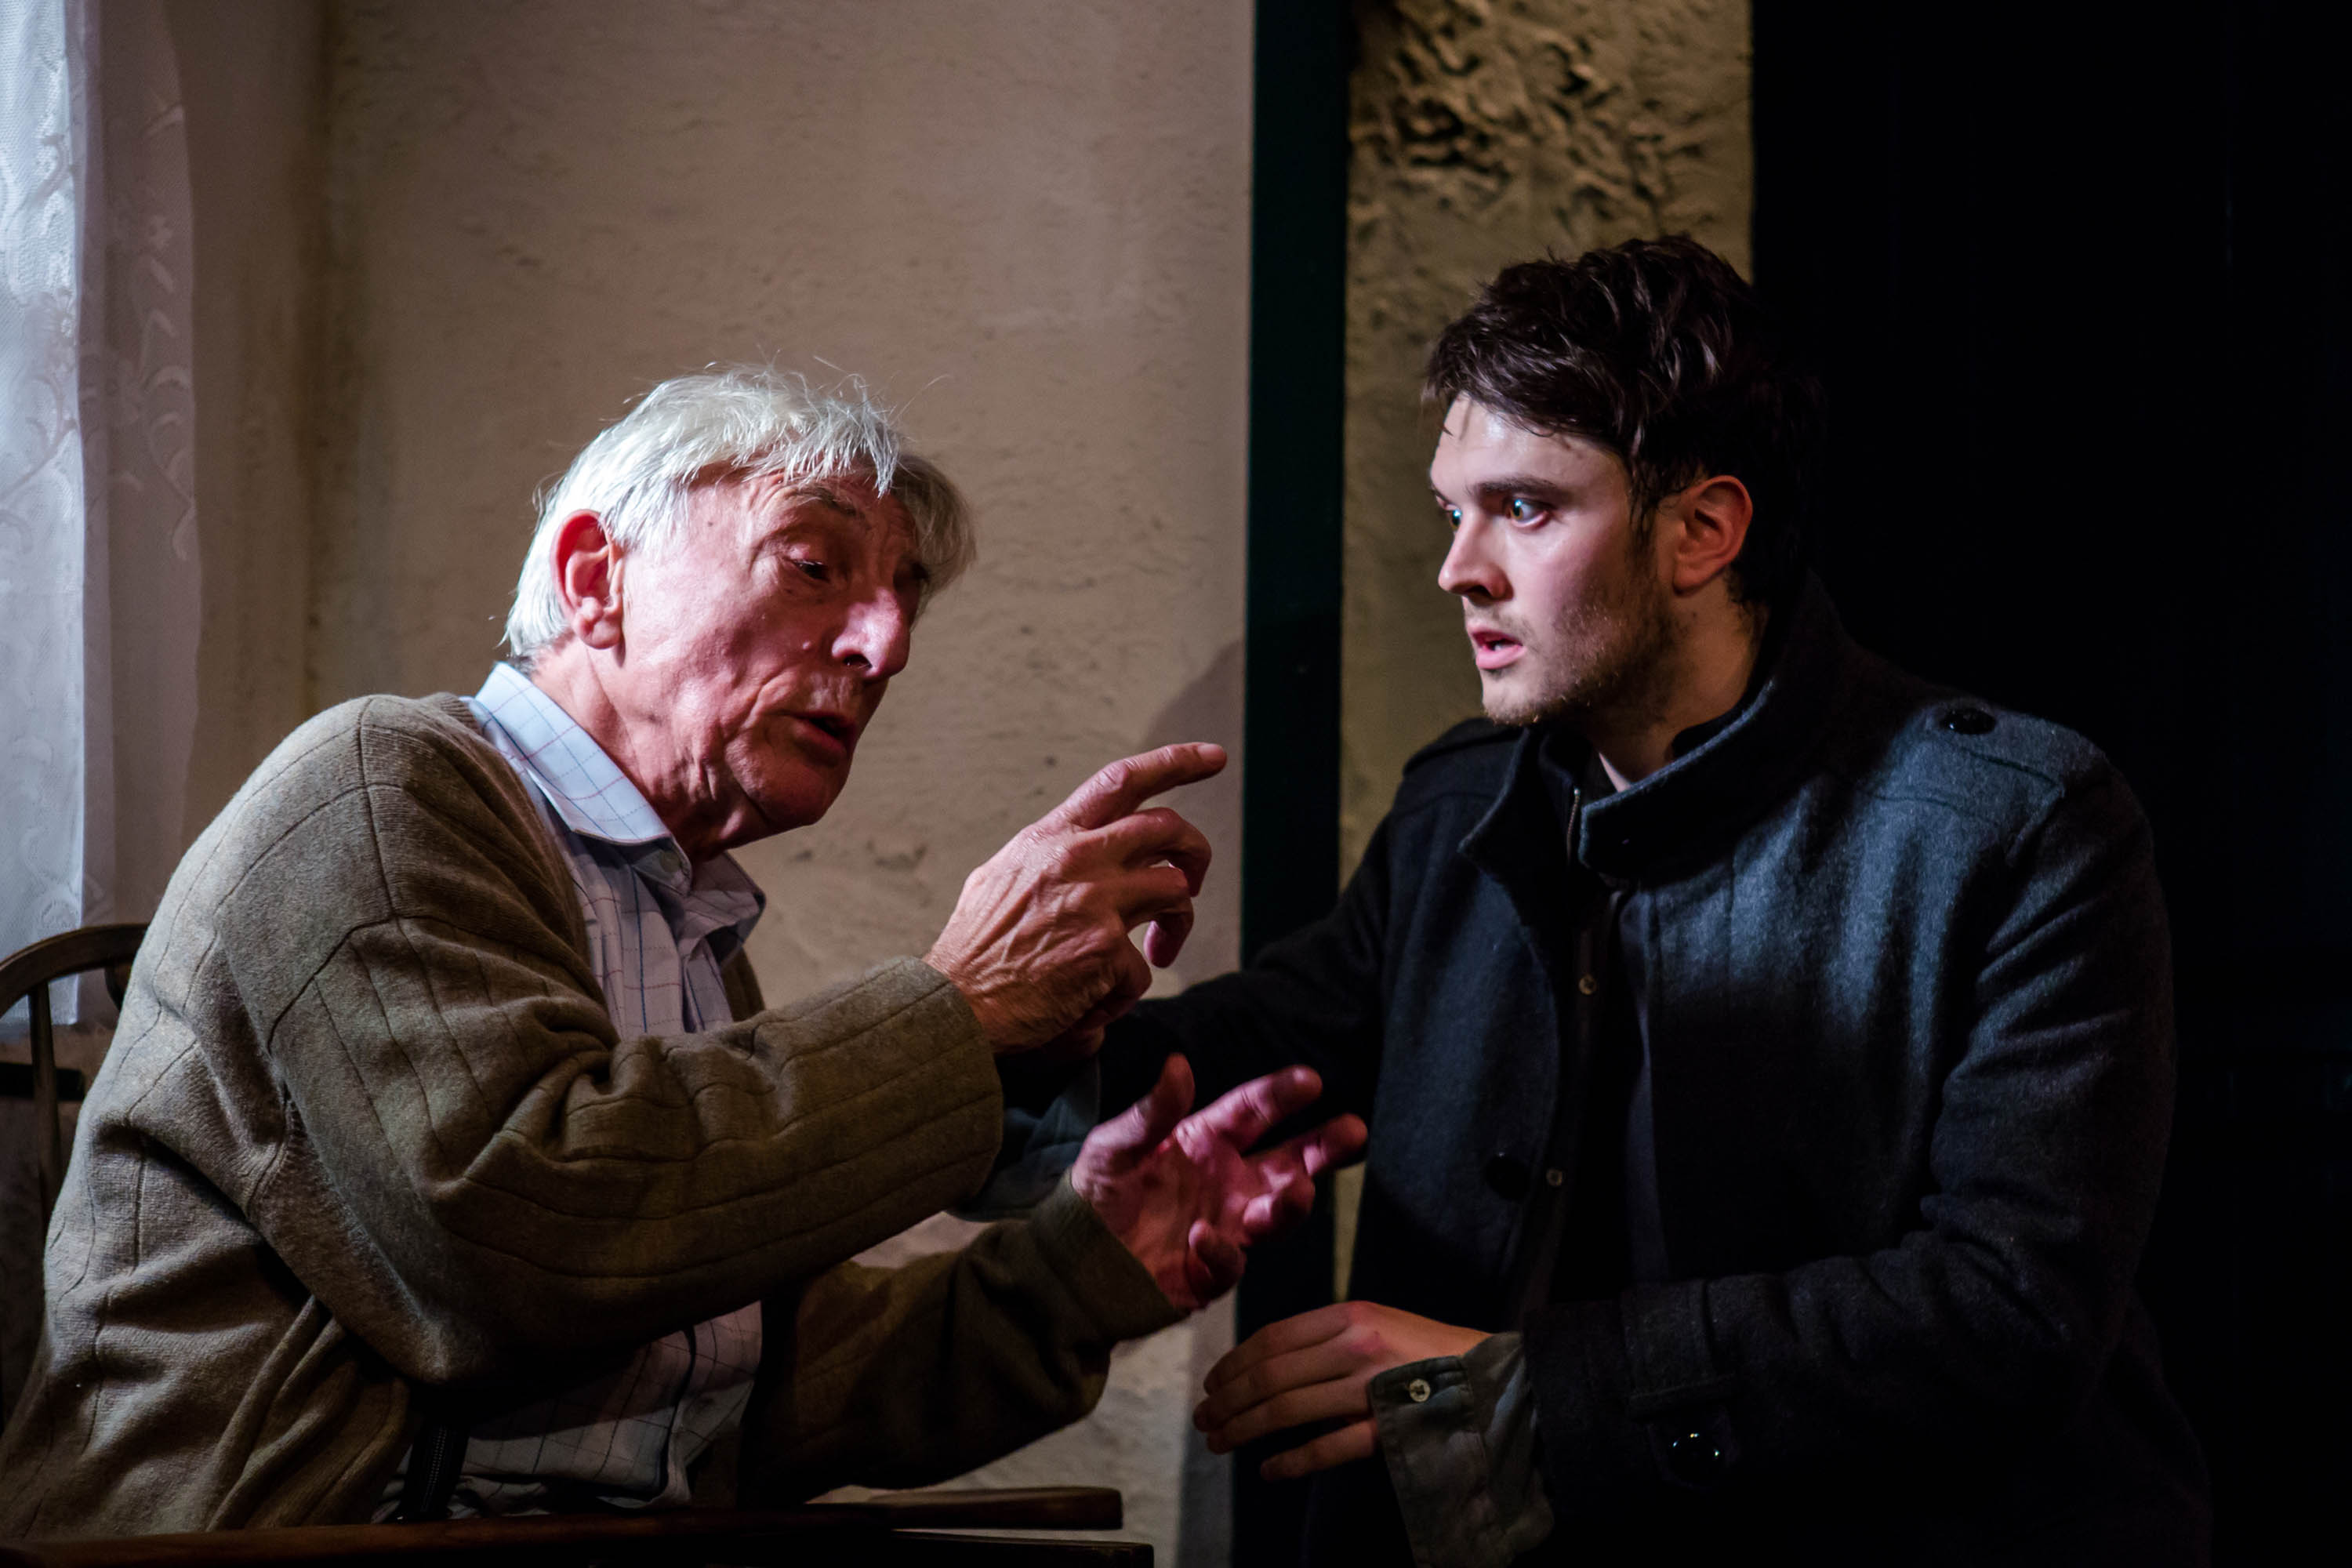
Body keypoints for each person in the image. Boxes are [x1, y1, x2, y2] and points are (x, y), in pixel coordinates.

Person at [0, 368, 1363, 1537]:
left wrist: (1086, 1265)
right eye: (816, 565)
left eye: (903, 602)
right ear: (596, 580)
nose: (885, 644)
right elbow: (526, 1235)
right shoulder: (380, 788)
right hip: (248, 1564)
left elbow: (739, 1394)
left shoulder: (681, 917)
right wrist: (960, 1006)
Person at [1095, 238, 2211, 1563]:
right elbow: (1261, 1052)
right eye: (1452, 512)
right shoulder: (1461, 803)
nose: (1459, 568)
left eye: (1523, 509)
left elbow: (2010, 1313)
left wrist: (1527, 1396)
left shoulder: (2015, 827)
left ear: (1702, 532)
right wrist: (1007, 1030)